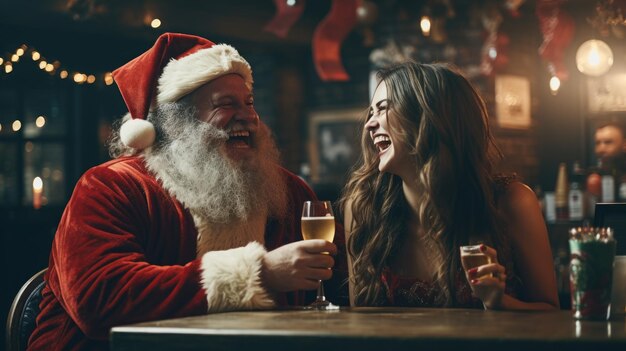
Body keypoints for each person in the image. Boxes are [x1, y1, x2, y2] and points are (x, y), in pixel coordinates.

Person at [28, 33, 346, 351]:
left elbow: (336, 290)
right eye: (225, 104)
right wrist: (258, 273)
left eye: (249, 102)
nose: (248, 116)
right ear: (178, 123)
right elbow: (99, 299)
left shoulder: (291, 192)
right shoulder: (112, 187)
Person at [340, 62, 558, 310]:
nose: (369, 124)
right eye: (371, 112)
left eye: (382, 109)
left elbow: (551, 313)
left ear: (428, 116)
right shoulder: (364, 208)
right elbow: (359, 323)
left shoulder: (511, 202)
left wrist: (499, 303)